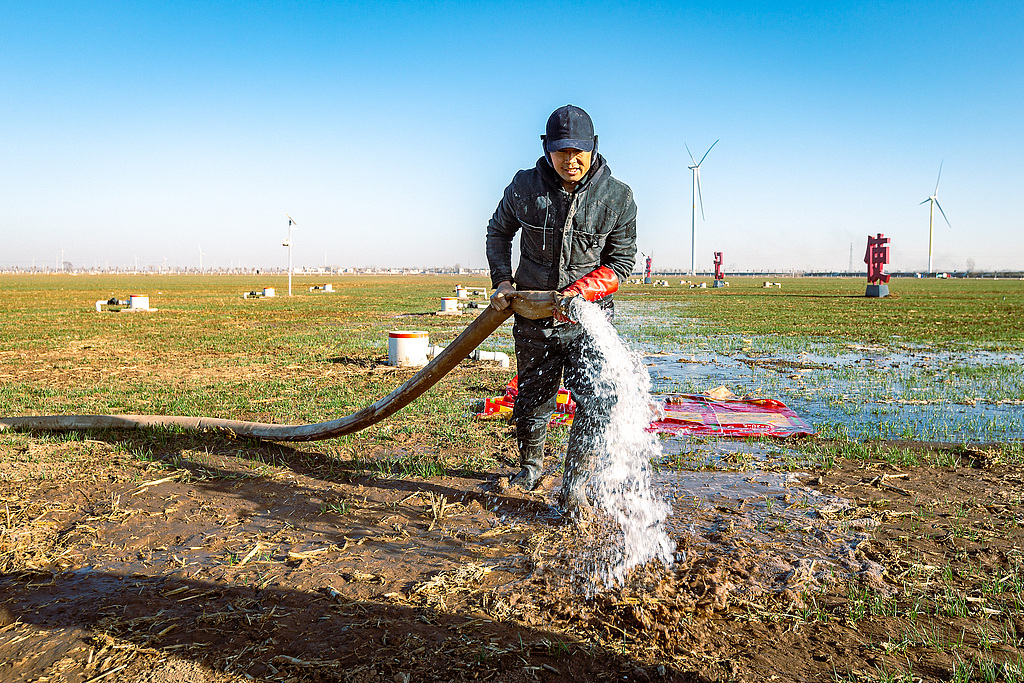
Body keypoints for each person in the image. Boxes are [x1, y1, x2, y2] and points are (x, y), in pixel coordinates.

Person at [485, 104, 637, 516]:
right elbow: (498, 232)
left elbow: (621, 262)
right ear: (547, 149)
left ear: (594, 147)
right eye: (561, 151)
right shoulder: (524, 187)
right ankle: (530, 470)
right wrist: (503, 281)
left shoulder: (618, 198)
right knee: (534, 398)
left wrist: (580, 292)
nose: (571, 160)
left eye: (578, 151)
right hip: (534, 317)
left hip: (590, 320)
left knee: (598, 398)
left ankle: (576, 485)